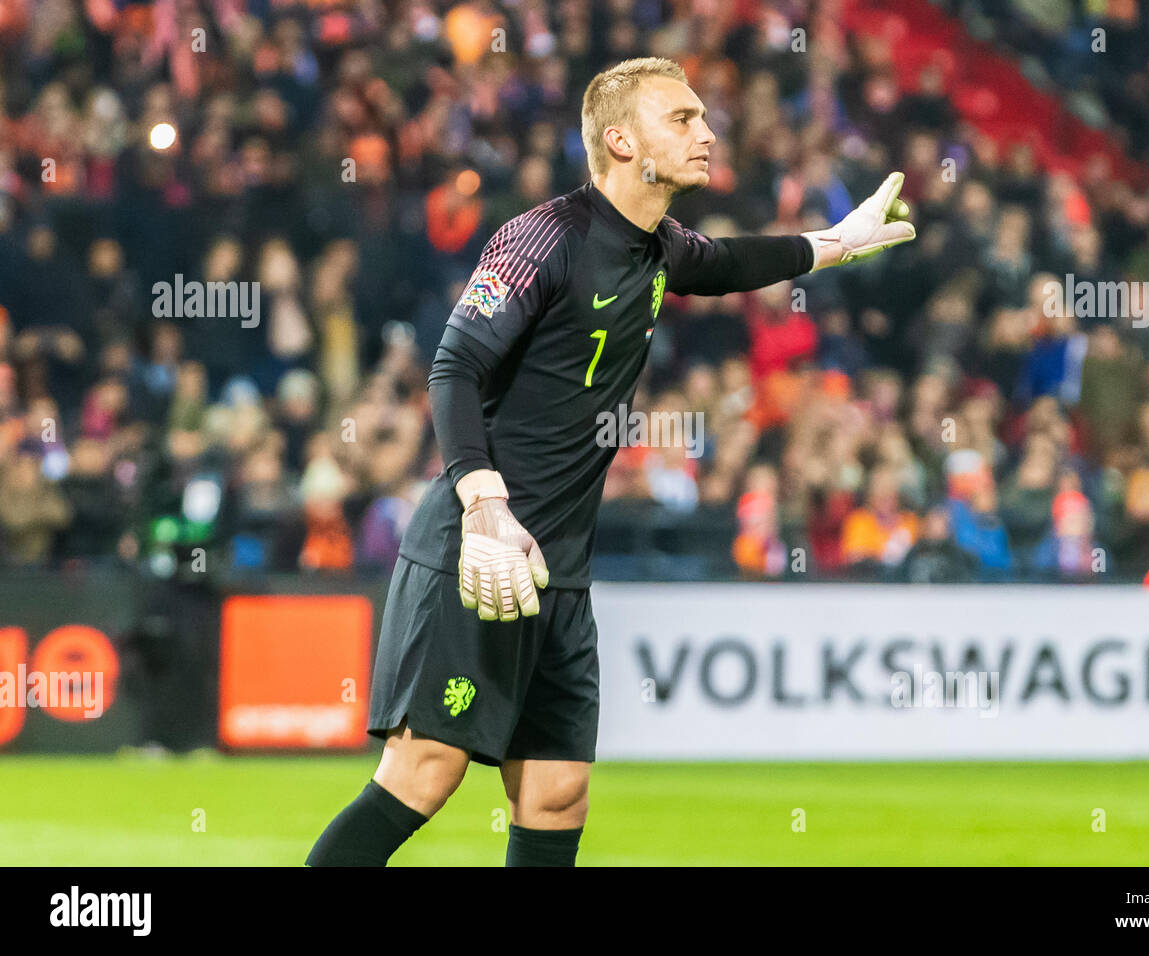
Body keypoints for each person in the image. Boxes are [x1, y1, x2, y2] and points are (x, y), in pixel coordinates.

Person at [306, 57, 915, 867]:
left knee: (556, 793)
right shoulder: (543, 237)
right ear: (623, 142)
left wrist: (834, 245)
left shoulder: (657, 248)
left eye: (703, 116)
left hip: (559, 569)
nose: (705, 132)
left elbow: (733, 263)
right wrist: (485, 506)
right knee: (423, 775)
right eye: (684, 118)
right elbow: (453, 368)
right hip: (477, 548)